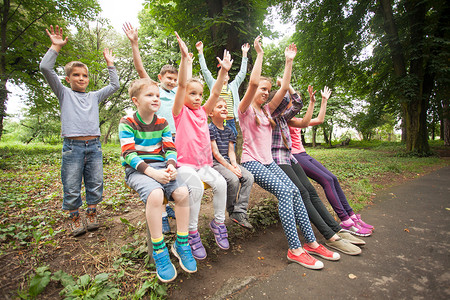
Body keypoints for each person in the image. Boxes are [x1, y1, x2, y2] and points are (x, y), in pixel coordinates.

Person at [238, 36, 324, 270]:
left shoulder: (267, 111)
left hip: (268, 162)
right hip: (252, 162)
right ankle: (295, 249)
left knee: (296, 191)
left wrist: (288, 61)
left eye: (268, 90)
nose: (265, 93)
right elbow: (253, 83)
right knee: (286, 193)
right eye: (262, 90)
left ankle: (312, 242)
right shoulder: (245, 109)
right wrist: (260, 54)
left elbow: (285, 88)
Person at [39, 25, 119, 236]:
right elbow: (46, 69)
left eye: (84, 75)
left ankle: (92, 213)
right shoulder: (64, 93)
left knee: (95, 182)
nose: (81, 78)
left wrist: (110, 64)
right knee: (72, 184)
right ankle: (75, 217)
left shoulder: (93, 96)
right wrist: (55, 47)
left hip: (94, 146)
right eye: (76, 75)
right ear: (68, 79)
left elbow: (114, 86)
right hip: (72, 147)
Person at [270, 82, 365, 256]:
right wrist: (286, 78)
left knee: (311, 191)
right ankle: (330, 236)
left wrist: (310, 99)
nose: (288, 103)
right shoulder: (270, 115)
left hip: (290, 157)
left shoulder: (285, 117)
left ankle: (337, 229)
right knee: (303, 194)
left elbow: (299, 105)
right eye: (284, 101)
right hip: (277, 160)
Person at [118, 76, 196, 282]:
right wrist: (152, 173)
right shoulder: (127, 122)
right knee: (155, 194)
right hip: (138, 170)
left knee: (182, 193)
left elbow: (170, 148)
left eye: (158, 96)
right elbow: (128, 154)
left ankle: (182, 243)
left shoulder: (162, 122)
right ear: (136, 100)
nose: (156, 99)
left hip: (162, 167)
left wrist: (171, 166)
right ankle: (159, 250)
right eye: (150, 95)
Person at [123, 22, 192, 233]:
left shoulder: (179, 93)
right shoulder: (152, 90)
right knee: (154, 172)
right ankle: (161, 215)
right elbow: (140, 71)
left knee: (169, 171)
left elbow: (184, 81)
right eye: (168, 79)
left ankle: (169, 207)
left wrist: (185, 59)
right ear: (160, 79)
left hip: (169, 135)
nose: (172, 82)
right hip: (149, 135)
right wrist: (135, 44)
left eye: (174, 78)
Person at [172, 34, 232, 260]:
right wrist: (184, 60)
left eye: (200, 94)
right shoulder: (180, 112)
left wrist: (223, 72)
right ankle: (191, 232)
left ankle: (218, 224)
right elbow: (180, 84)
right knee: (195, 188)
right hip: (185, 165)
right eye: (193, 94)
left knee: (222, 183)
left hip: (204, 164)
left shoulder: (202, 112)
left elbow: (216, 92)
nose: (197, 98)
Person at [288, 89, 374, 237]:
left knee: (333, 178)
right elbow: (299, 112)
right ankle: (345, 220)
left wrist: (323, 101)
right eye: (295, 100)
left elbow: (320, 120)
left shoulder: (296, 117)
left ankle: (351, 216)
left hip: (303, 153)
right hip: (295, 156)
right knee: (327, 180)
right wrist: (287, 85)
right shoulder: (286, 118)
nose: (298, 102)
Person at [208, 98, 254, 229]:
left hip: (228, 161)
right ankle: (232, 209)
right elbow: (215, 153)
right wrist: (230, 168)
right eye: (219, 107)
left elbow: (231, 151)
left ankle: (240, 211)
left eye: (225, 107)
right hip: (215, 163)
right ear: (211, 113)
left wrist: (234, 165)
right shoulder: (210, 129)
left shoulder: (229, 130)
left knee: (248, 177)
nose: (224, 109)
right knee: (233, 179)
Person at [196, 41, 249, 137]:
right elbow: (205, 70)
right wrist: (200, 53)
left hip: (231, 121)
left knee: (231, 147)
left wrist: (244, 54)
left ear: (228, 77)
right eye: (222, 73)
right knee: (216, 146)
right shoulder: (213, 84)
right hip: (216, 121)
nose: (224, 75)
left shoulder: (233, 85)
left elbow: (242, 73)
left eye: (226, 74)